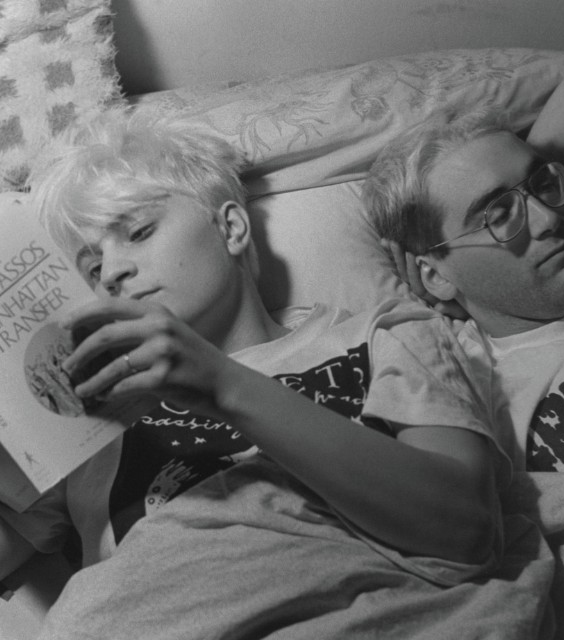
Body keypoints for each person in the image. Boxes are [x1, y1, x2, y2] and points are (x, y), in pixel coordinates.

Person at [0, 107, 515, 637]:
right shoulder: (91, 415)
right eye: (92, 268)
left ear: (230, 227)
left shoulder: (381, 334)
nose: (112, 271)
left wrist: (222, 385)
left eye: (139, 231)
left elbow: (467, 532)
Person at [363, 29, 564, 474]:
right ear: (432, 274)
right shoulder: (454, 375)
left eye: (543, 185)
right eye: (498, 215)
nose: (550, 219)